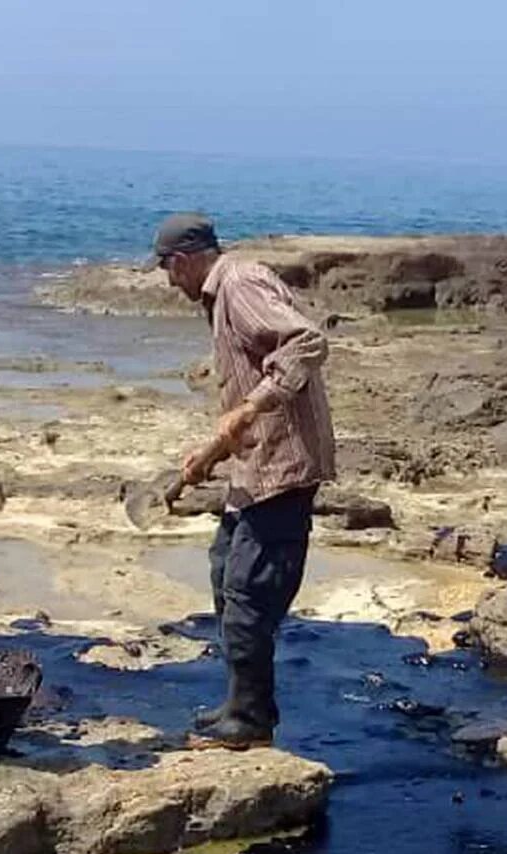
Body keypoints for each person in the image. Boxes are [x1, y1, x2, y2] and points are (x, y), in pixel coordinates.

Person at [152, 213, 336, 750]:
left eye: (167, 269)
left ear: (182, 260)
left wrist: (250, 407)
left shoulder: (238, 283)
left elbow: (304, 344)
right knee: (224, 575)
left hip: (283, 469)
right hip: (254, 468)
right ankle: (240, 702)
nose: (168, 282)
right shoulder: (224, 292)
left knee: (248, 593)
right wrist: (215, 449)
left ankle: (252, 721)